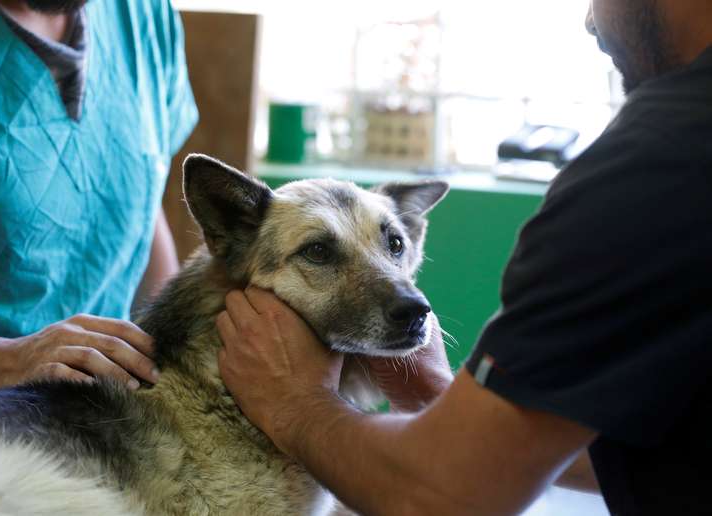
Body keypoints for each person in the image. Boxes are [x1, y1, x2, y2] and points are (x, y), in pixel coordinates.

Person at [216, 1, 712, 514]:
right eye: (320, 252)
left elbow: (440, 495)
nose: (589, 19)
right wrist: (438, 395)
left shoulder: (654, 165)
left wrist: (296, 407)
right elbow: (659, 452)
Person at [0, 0, 197, 392]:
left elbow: (141, 204)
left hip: (95, 415)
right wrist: (1, 360)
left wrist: (171, 356)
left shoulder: (141, 13)